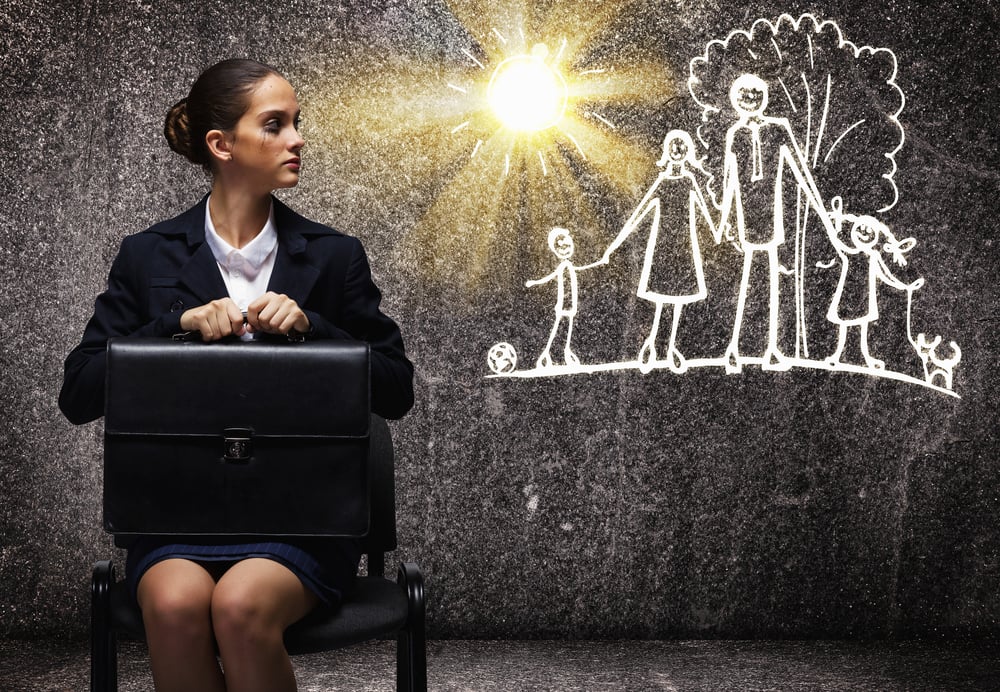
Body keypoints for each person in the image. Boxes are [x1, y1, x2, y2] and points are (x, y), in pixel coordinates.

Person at [58, 59, 414, 692]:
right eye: (274, 125)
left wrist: (316, 328)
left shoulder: (334, 255)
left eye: (296, 123)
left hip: (301, 519)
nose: (297, 139)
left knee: (241, 605)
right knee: (172, 604)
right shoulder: (147, 255)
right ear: (221, 146)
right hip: (179, 518)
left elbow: (396, 388)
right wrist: (174, 325)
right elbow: (79, 393)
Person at [599, 129, 716, 373]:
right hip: (663, 245)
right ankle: (651, 343)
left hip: (684, 246)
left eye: (682, 147)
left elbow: (704, 210)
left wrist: (717, 233)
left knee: (678, 300)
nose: (677, 151)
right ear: (667, 151)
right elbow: (639, 214)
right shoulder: (662, 182)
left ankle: (672, 346)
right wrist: (614, 245)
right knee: (662, 299)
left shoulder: (689, 181)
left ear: (687, 153)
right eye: (673, 146)